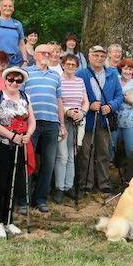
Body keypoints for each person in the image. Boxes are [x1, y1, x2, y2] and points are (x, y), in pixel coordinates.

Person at [0, 67, 36, 239]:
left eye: (18, 80)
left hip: (20, 145)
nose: (14, 83)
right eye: (11, 79)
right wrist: (11, 135)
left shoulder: (25, 97)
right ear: (5, 80)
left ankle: (8, 220)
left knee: (13, 183)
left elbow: (31, 120)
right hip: (1, 145)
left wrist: (28, 134)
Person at [22, 43, 66, 211]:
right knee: (28, 162)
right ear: (36, 55)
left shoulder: (55, 76)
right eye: (44, 53)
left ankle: (40, 199)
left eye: (50, 53)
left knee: (48, 163)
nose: (48, 55)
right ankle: (24, 199)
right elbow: (22, 99)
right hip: (31, 124)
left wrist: (62, 124)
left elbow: (59, 101)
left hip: (52, 123)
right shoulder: (26, 73)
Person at [77, 45, 122, 194]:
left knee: (104, 151)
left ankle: (103, 183)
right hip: (87, 118)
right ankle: (85, 184)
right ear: (89, 57)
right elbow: (75, 94)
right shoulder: (81, 73)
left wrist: (110, 106)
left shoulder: (112, 74)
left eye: (102, 56)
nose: (99, 58)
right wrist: (89, 105)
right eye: (96, 55)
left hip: (104, 119)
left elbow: (119, 96)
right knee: (86, 151)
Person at [53, 54, 88, 203]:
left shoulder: (80, 81)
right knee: (62, 155)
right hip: (62, 120)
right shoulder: (57, 80)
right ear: (63, 65)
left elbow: (86, 101)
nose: (70, 67)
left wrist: (82, 112)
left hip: (77, 121)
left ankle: (69, 186)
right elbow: (56, 101)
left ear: (77, 67)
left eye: (73, 65)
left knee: (72, 156)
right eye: (68, 64)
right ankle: (59, 188)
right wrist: (67, 111)